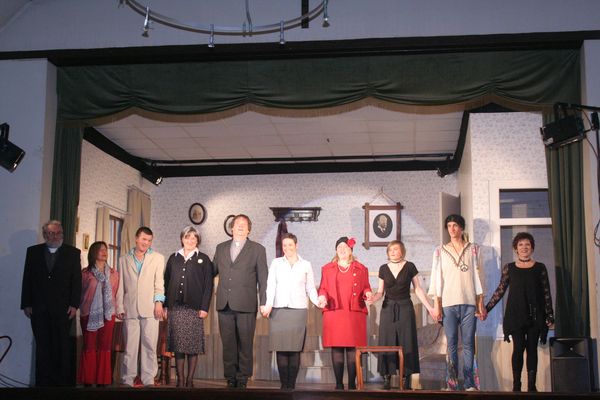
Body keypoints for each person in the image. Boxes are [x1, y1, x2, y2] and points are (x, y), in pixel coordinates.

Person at [485, 232, 554, 392]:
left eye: (527, 244)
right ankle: (516, 386)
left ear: (532, 248)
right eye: (521, 245)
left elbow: (546, 292)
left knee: (532, 349)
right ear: (516, 248)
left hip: (535, 315)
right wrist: (486, 309)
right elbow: (500, 290)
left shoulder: (540, 267)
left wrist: (550, 314)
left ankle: (531, 386)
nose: (524, 247)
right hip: (516, 315)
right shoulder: (509, 268)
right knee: (518, 348)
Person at [428, 214, 486, 391]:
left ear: (461, 228)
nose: (452, 229)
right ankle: (451, 383)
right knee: (451, 344)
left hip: (469, 303)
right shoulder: (439, 251)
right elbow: (436, 278)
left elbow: (480, 277)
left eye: (455, 225)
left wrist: (481, 303)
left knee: (468, 344)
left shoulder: (474, 249)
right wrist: (437, 305)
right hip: (448, 304)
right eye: (449, 226)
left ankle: (470, 383)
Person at [20, 220, 82, 386]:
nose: (53, 236)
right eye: (50, 233)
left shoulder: (73, 253)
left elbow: (76, 281)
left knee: (60, 346)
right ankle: (42, 384)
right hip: (38, 308)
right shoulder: (33, 252)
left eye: (57, 233)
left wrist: (74, 304)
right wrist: (26, 303)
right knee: (42, 346)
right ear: (44, 235)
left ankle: (60, 385)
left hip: (63, 309)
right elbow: (27, 278)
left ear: (62, 234)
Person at [369, 240, 436, 390]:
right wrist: (373, 298)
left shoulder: (410, 266)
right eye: (390, 250)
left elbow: (418, 289)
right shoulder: (383, 268)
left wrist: (429, 307)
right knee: (387, 341)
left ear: (402, 251)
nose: (393, 252)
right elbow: (380, 292)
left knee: (407, 341)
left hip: (405, 307)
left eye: (396, 249)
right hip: (388, 308)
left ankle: (406, 377)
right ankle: (387, 376)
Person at [212, 214, 268, 389]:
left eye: (244, 224)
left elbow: (263, 278)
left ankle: (243, 378)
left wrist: (264, 302)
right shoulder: (221, 248)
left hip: (246, 304)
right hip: (224, 303)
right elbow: (211, 271)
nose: (241, 226)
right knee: (228, 344)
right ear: (232, 228)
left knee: (245, 344)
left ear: (249, 229)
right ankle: (230, 377)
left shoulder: (258, 249)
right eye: (237, 224)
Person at [261, 233, 320, 390]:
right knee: (280, 349)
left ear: (296, 245)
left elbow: (310, 288)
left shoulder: (305, 264)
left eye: (290, 245)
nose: (287, 248)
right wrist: (268, 305)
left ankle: (291, 386)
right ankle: (284, 386)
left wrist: (317, 301)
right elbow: (271, 285)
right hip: (278, 311)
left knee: (295, 350)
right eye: (284, 245)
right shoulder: (276, 263)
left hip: (298, 311)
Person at [317, 236, 373, 390]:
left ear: (350, 250)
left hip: (354, 313)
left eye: (345, 247)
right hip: (334, 312)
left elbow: (366, 287)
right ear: (336, 250)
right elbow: (323, 288)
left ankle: (352, 384)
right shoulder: (327, 268)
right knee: (336, 348)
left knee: (352, 349)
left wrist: (368, 293)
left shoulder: (361, 268)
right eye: (339, 247)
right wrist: (322, 297)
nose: (342, 250)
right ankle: (339, 384)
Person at [163, 226, 214, 388]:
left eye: (194, 237)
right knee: (178, 345)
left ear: (198, 240)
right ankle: (180, 380)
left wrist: (204, 307)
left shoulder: (204, 259)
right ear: (182, 239)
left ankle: (190, 380)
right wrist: (165, 305)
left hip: (194, 309)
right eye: (187, 237)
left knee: (192, 346)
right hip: (176, 308)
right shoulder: (173, 258)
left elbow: (208, 286)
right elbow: (166, 282)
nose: (190, 240)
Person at [115, 226, 165, 387]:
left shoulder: (157, 258)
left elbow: (159, 283)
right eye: (144, 239)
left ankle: (148, 379)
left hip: (150, 309)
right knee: (130, 347)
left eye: (149, 240)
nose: (146, 243)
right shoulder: (123, 259)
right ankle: (128, 379)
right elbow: (120, 286)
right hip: (130, 308)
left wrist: (159, 303)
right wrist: (119, 307)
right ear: (136, 238)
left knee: (149, 346)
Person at [78, 241, 119, 386]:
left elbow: (116, 293)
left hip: (108, 314)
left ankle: (102, 380)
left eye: (105, 249)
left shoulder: (114, 274)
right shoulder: (85, 273)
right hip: (89, 314)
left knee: (105, 346)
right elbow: (79, 293)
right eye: (100, 249)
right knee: (89, 346)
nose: (104, 252)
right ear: (93, 252)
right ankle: (88, 380)